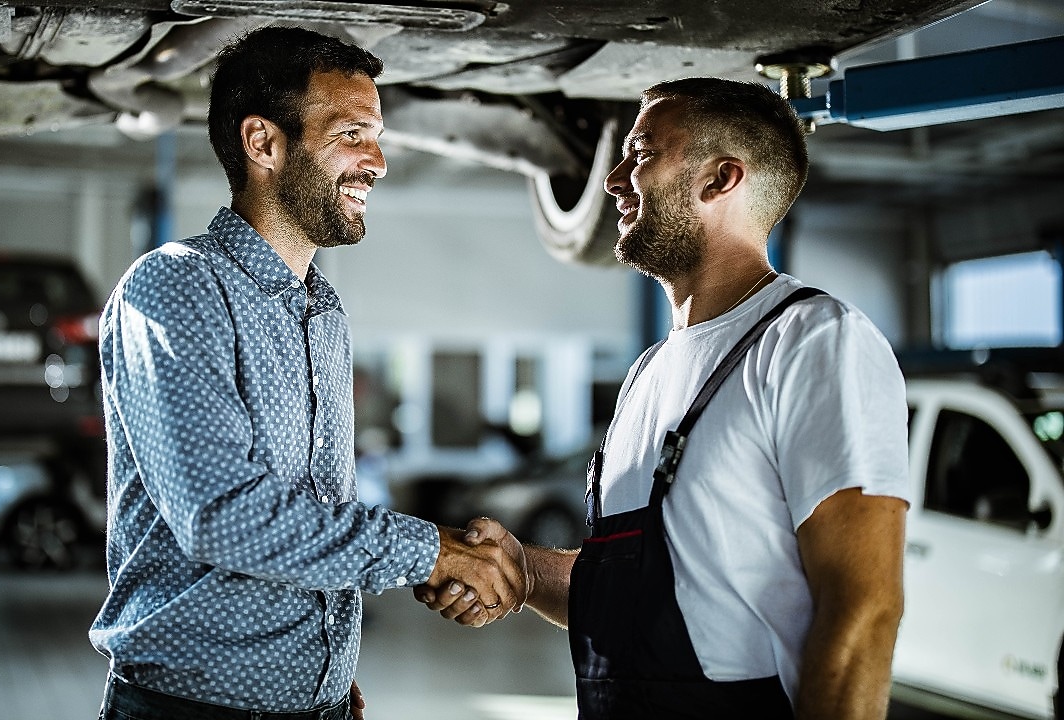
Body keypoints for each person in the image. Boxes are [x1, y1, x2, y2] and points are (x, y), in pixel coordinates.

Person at [420, 77, 909, 720]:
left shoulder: (812, 340)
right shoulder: (649, 371)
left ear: (720, 179)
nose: (612, 180)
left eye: (642, 153)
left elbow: (863, 607)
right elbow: (645, 589)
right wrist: (526, 571)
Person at [89, 26, 527, 720]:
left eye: (376, 137)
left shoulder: (323, 312)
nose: (377, 162)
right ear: (263, 143)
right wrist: (427, 552)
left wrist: (315, 677)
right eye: (352, 134)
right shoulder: (177, 287)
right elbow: (219, 517)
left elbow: (312, 510)